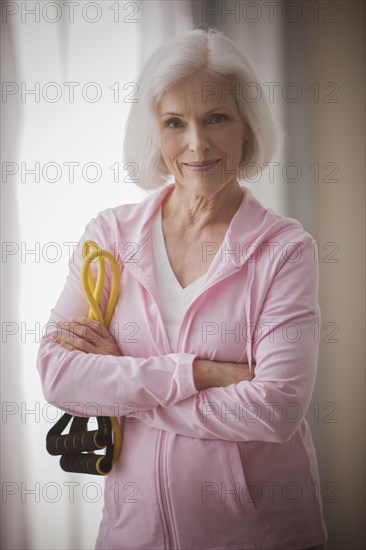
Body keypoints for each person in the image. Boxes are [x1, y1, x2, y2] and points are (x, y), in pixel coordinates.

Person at [37, 28, 328, 550]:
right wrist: (200, 373)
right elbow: (58, 376)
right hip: (131, 537)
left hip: (257, 537)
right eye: (175, 123)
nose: (197, 144)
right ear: (156, 132)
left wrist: (125, 386)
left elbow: (276, 408)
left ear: (246, 128)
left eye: (217, 118)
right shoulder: (109, 236)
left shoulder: (285, 250)